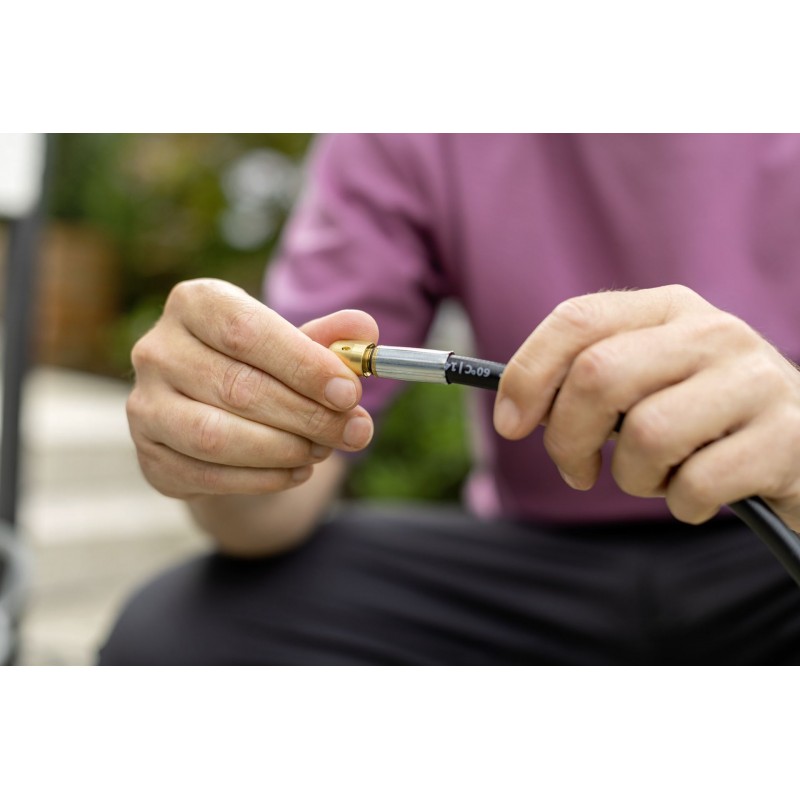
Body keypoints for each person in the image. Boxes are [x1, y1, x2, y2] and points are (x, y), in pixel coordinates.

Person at [99, 134, 800, 664]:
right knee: (174, 639)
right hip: (526, 570)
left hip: (776, 551)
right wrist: (227, 430)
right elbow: (277, 498)